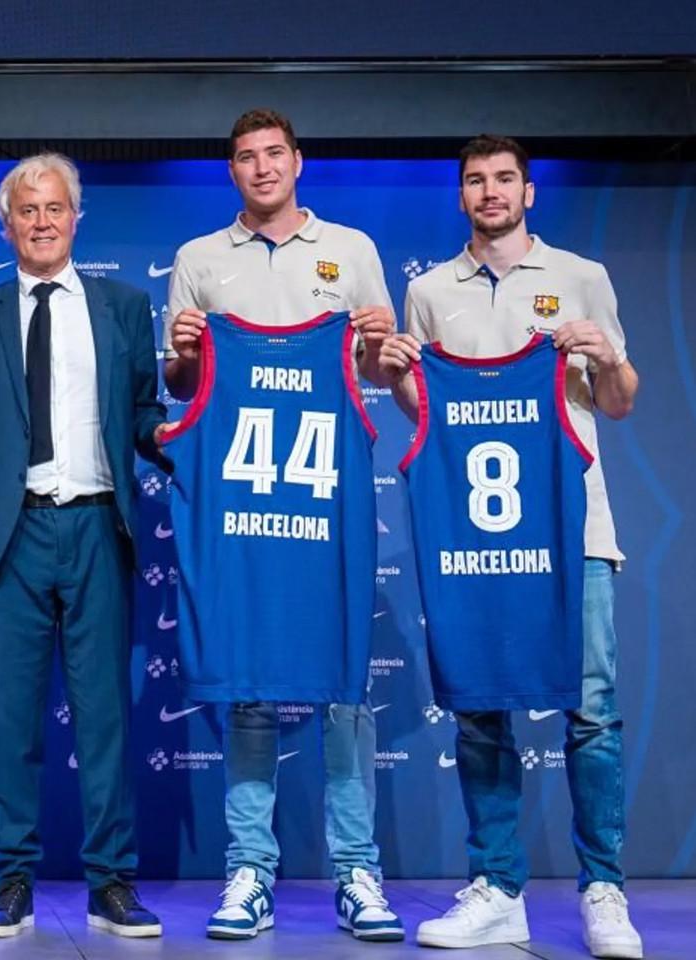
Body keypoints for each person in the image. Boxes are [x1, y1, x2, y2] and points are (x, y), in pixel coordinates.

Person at [377, 135, 643, 960]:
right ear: (460, 196)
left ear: (529, 191)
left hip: (574, 530)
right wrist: (395, 374)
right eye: (474, 181)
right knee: (481, 709)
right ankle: (498, 887)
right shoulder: (427, 292)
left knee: (591, 710)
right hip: (474, 536)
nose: (489, 192)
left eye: (503, 179)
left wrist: (604, 360)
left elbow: (621, 401)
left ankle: (605, 889)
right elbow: (428, 413)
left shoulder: (581, 278)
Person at [0, 153, 165, 940]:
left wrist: (175, 435)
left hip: (98, 525)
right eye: (27, 210)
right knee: (11, 722)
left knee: (105, 717)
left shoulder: (123, 306)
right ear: (5, 224)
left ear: (77, 219)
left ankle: (112, 883)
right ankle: (11, 881)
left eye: (54, 209)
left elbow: (143, 412)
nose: (41, 222)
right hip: (13, 534)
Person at [162, 108, 403, 942]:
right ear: (231, 171)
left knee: (343, 689)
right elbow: (183, 379)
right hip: (242, 506)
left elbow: (380, 366)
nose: (261, 169)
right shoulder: (198, 261)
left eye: (274, 155)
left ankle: (356, 871)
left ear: (298, 162)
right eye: (245, 158)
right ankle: (249, 872)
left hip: (326, 502)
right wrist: (185, 351)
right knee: (249, 689)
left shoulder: (355, 252)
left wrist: (379, 344)